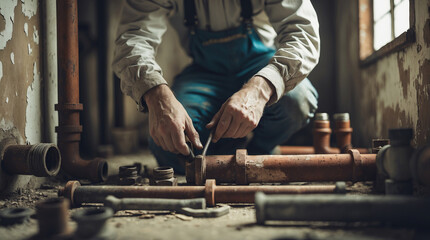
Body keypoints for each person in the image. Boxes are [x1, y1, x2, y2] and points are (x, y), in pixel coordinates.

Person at [113, 0, 320, 173]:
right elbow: (134, 37)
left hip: (260, 67)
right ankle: (226, 152)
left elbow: (302, 33)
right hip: (204, 74)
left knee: (298, 101)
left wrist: (259, 90)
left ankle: (258, 153)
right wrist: (157, 96)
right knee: (170, 142)